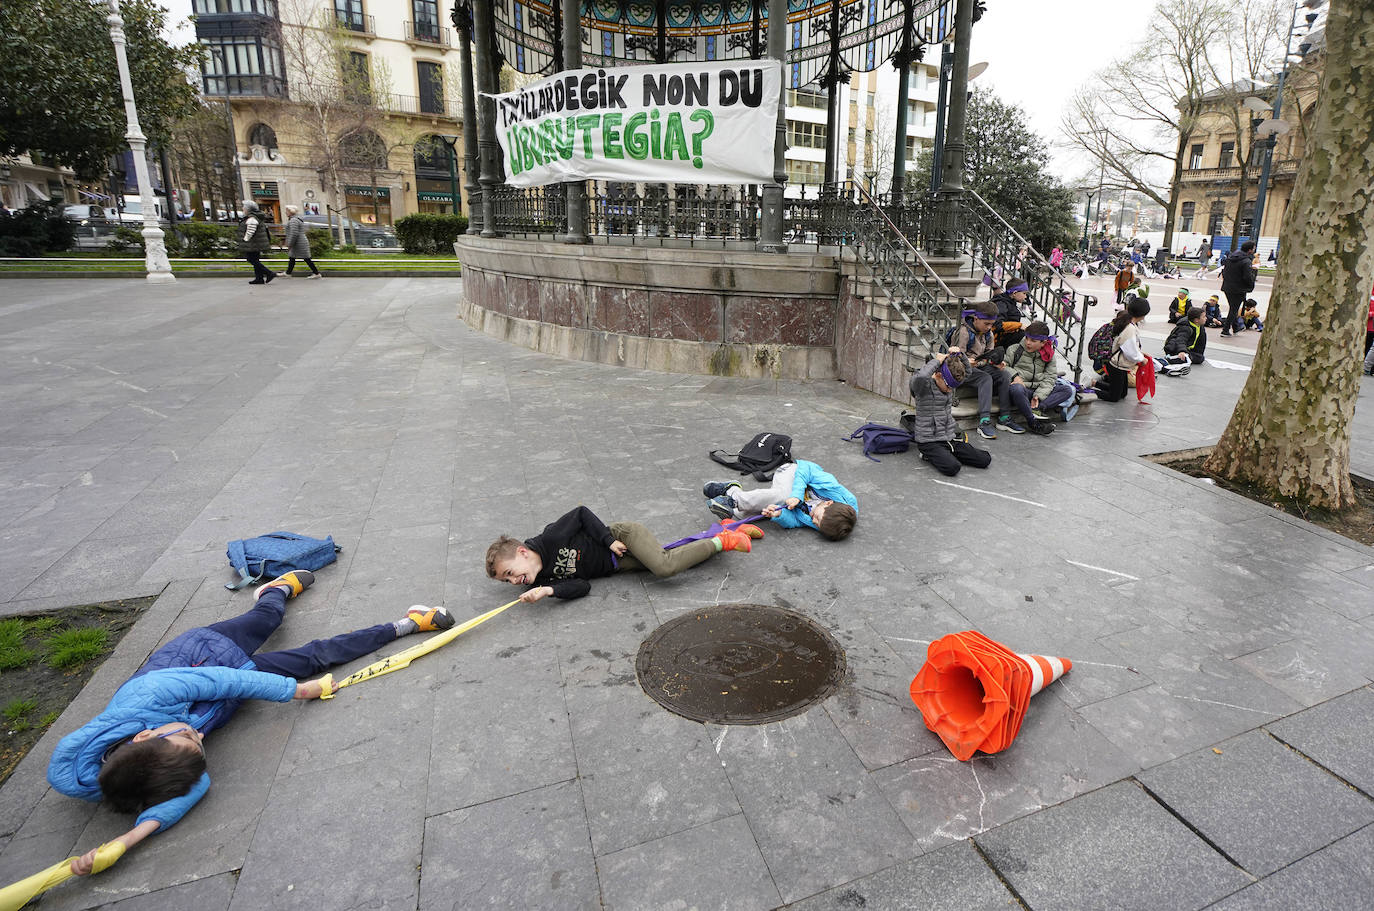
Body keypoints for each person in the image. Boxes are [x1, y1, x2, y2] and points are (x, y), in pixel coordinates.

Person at [47, 570, 455, 875]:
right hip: (227, 694)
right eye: (199, 745)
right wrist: (127, 839)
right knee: (315, 657)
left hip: (208, 655)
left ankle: (274, 589)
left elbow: (225, 679)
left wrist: (297, 692)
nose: (199, 733)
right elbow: (193, 785)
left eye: (188, 734)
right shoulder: (134, 776)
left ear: (146, 734)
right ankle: (407, 623)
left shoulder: (143, 698)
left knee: (266, 621)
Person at [486, 505, 750, 603]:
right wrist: (549, 591)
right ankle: (723, 530)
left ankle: (724, 541)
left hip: (622, 538)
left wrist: (608, 539)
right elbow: (582, 585)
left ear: (522, 552)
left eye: (509, 573)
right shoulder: (541, 579)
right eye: (506, 581)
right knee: (674, 558)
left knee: (664, 567)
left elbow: (581, 513)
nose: (513, 581)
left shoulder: (552, 537)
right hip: (618, 565)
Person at [703, 460, 857, 541]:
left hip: (788, 497)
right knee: (783, 496)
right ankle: (734, 500)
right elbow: (806, 469)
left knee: (748, 515)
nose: (813, 521)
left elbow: (797, 520)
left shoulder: (826, 523)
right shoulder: (832, 488)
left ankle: (731, 490)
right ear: (829, 503)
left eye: (816, 524)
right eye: (817, 518)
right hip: (792, 472)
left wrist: (778, 515)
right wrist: (796, 495)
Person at [907, 350, 992, 476]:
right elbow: (921, 376)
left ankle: (946, 454)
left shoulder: (949, 382)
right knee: (953, 467)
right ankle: (928, 455)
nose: (950, 390)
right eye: (948, 386)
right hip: (929, 441)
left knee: (985, 459)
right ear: (939, 375)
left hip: (949, 438)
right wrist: (937, 361)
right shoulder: (922, 387)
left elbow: (968, 373)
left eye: (953, 387)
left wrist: (961, 356)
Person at [948, 307, 1012, 439]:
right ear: (976, 319)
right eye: (986, 323)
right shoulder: (963, 332)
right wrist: (967, 361)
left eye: (991, 324)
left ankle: (1005, 417)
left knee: (1004, 375)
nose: (989, 327)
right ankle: (984, 421)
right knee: (985, 378)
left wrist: (997, 362)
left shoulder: (988, 333)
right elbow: (955, 357)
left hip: (979, 365)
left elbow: (990, 353)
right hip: (960, 369)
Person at [1002, 321, 1067, 434]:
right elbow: (1003, 366)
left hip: (1037, 390)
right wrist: (1015, 376)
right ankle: (1033, 422)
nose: (1028, 343)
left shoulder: (1049, 355)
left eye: (1033, 341)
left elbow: (1050, 378)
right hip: (1022, 390)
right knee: (1016, 389)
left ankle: (1038, 408)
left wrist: (1038, 396)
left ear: (1043, 342)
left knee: (1067, 390)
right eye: (1027, 338)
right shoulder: (1014, 349)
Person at [1092, 297, 1150, 402]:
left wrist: (1140, 355)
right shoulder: (1130, 328)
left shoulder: (1127, 322)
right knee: (1114, 397)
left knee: (1122, 393)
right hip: (1116, 365)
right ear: (1143, 315)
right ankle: (1088, 392)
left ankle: (1095, 384)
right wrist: (1141, 359)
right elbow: (1130, 352)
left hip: (1121, 365)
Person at [1220, 240, 1258, 337]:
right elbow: (1247, 277)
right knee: (1233, 309)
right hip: (1239, 289)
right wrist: (1251, 284)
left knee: (1233, 308)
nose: (1254, 250)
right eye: (1253, 248)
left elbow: (1225, 272)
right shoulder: (1246, 261)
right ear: (1250, 250)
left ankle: (1236, 327)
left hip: (1227, 287)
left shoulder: (1230, 258)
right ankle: (1225, 330)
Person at [280, 205, 322, 279]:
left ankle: (316, 273)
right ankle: (288, 273)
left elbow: (294, 233)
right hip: (299, 242)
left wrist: (289, 244)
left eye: (287, 211)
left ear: (291, 211)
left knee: (306, 258)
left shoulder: (294, 220)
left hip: (299, 243)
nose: (285, 212)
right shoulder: (295, 219)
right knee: (292, 257)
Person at [239, 201, 275, 285]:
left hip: (253, 243)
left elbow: (250, 230)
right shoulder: (255, 217)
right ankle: (259, 278)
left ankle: (269, 273)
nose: (243, 209)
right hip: (256, 242)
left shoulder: (252, 218)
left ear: (248, 209)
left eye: (244, 207)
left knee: (251, 259)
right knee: (255, 260)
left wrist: (245, 239)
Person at [991, 279, 1030, 347]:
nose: (1025, 296)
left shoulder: (1010, 302)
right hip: (998, 340)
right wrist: (1019, 325)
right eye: (1024, 293)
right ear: (1014, 293)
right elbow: (998, 325)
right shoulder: (1001, 303)